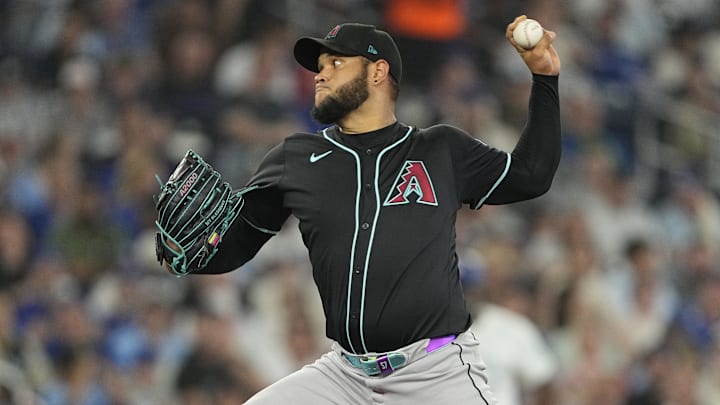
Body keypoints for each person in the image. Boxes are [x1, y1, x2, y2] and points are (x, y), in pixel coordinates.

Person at [162, 16, 561, 404]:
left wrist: (544, 78)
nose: (320, 74)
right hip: (344, 376)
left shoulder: (439, 150)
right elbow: (239, 241)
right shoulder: (296, 158)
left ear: (377, 72)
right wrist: (189, 254)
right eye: (319, 67)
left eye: (336, 63)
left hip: (435, 372)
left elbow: (532, 174)